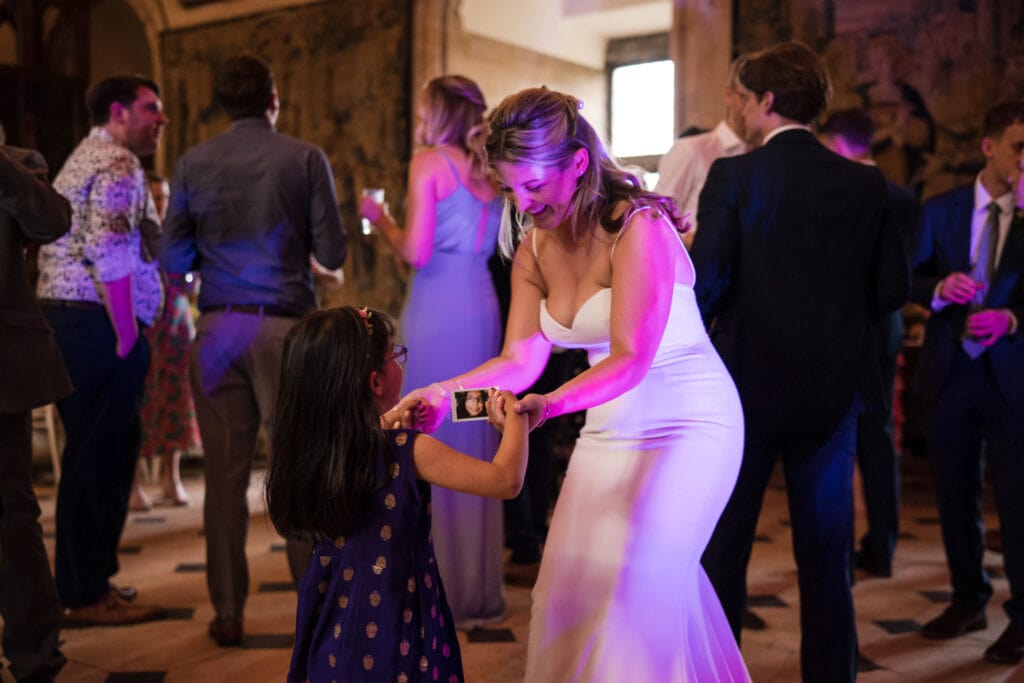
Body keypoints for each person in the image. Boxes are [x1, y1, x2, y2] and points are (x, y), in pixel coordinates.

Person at [404, 86, 750, 682]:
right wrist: (439, 394)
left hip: (689, 424)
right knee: (566, 596)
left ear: (578, 163)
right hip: (609, 428)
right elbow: (519, 358)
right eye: (510, 188)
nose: (523, 202)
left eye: (534, 184)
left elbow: (631, 359)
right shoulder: (533, 248)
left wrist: (547, 407)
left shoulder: (637, 227)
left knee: (637, 593)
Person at [691, 42, 909, 683]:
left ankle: (720, 672)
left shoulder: (735, 176)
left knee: (725, 550)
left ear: (766, 102)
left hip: (744, 391)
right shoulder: (866, 183)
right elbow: (891, 289)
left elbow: (708, 281)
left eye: (742, 95)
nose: (737, 106)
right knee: (827, 556)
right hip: (832, 393)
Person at [160, 54, 347, 647]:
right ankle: (312, 613)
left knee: (223, 479)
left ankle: (228, 612)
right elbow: (334, 253)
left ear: (223, 104)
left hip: (215, 331)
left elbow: (172, 259)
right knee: (298, 473)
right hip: (285, 331)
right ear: (273, 99)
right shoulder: (304, 157)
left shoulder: (193, 161)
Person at [266, 306, 527, 682]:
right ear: (376, 382)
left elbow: (364, 447)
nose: (399, 362)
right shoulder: (409, 450)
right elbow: (505, 480)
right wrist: (515, 416)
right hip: (398, 612)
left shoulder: (318, 450)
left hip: (336, 611)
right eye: (395, 355)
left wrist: (387, 421)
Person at [360, 75, 506, 628]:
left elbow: (417, 251)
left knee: (427, 428)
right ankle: (476, 587)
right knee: (473, 433)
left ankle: (433, 586)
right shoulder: (485, 168)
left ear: (436, 112)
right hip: (482, 305)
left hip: (438, 307)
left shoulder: (428, 163)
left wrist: (380, 219)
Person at [36, 75, 169, 626]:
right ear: (119, 112)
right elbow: (109, 250)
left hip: (75, 323)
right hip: (97, 327)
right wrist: (125, 333)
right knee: (98, 459)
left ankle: (91, 581)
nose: (160, 119)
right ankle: (85, 594)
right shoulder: (116, 163)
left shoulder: (87, 154)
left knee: (102, 455)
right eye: (150, 109)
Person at [910, 100, 1024, 665]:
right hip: (951, 372)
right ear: (989, 146)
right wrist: (938, 288)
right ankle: (967, 599)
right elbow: (909, 273)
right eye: (1019, 147)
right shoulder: (941, 208)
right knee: (955, 495)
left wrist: (1012, 319)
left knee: (1017, 502)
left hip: (1013, 379)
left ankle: (1022, 619)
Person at [819, 108, 921, 578]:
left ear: (837, 143)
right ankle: (881, 546)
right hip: (885, 332)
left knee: (833, 439)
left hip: (839, 332)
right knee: (879, 441)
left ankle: (832, 547)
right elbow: (906, 275)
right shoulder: (904, 198)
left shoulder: (834, 195)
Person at [0, 144, 72, 682]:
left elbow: (51, 221)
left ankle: (34, 654)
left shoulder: (16, 163)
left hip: (2, 363)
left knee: (10, 512)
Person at [130, 173, 200, 511]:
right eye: (155, 197)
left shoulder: (179, 237)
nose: (161, 203)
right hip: (143, 327)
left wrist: (191, 273)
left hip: (176, 328)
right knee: (140, 403)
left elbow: (192, 286)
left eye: (165, 197)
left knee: (176, 401)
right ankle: (134, 484)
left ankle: (171, 478)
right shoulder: (132, 234)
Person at [654, 54, 751, 248]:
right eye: (746, 97)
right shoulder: (691, 150)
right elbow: (655, 222)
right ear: (729, 95)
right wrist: (697, 241)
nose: (752, 107)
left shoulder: (766, 155)